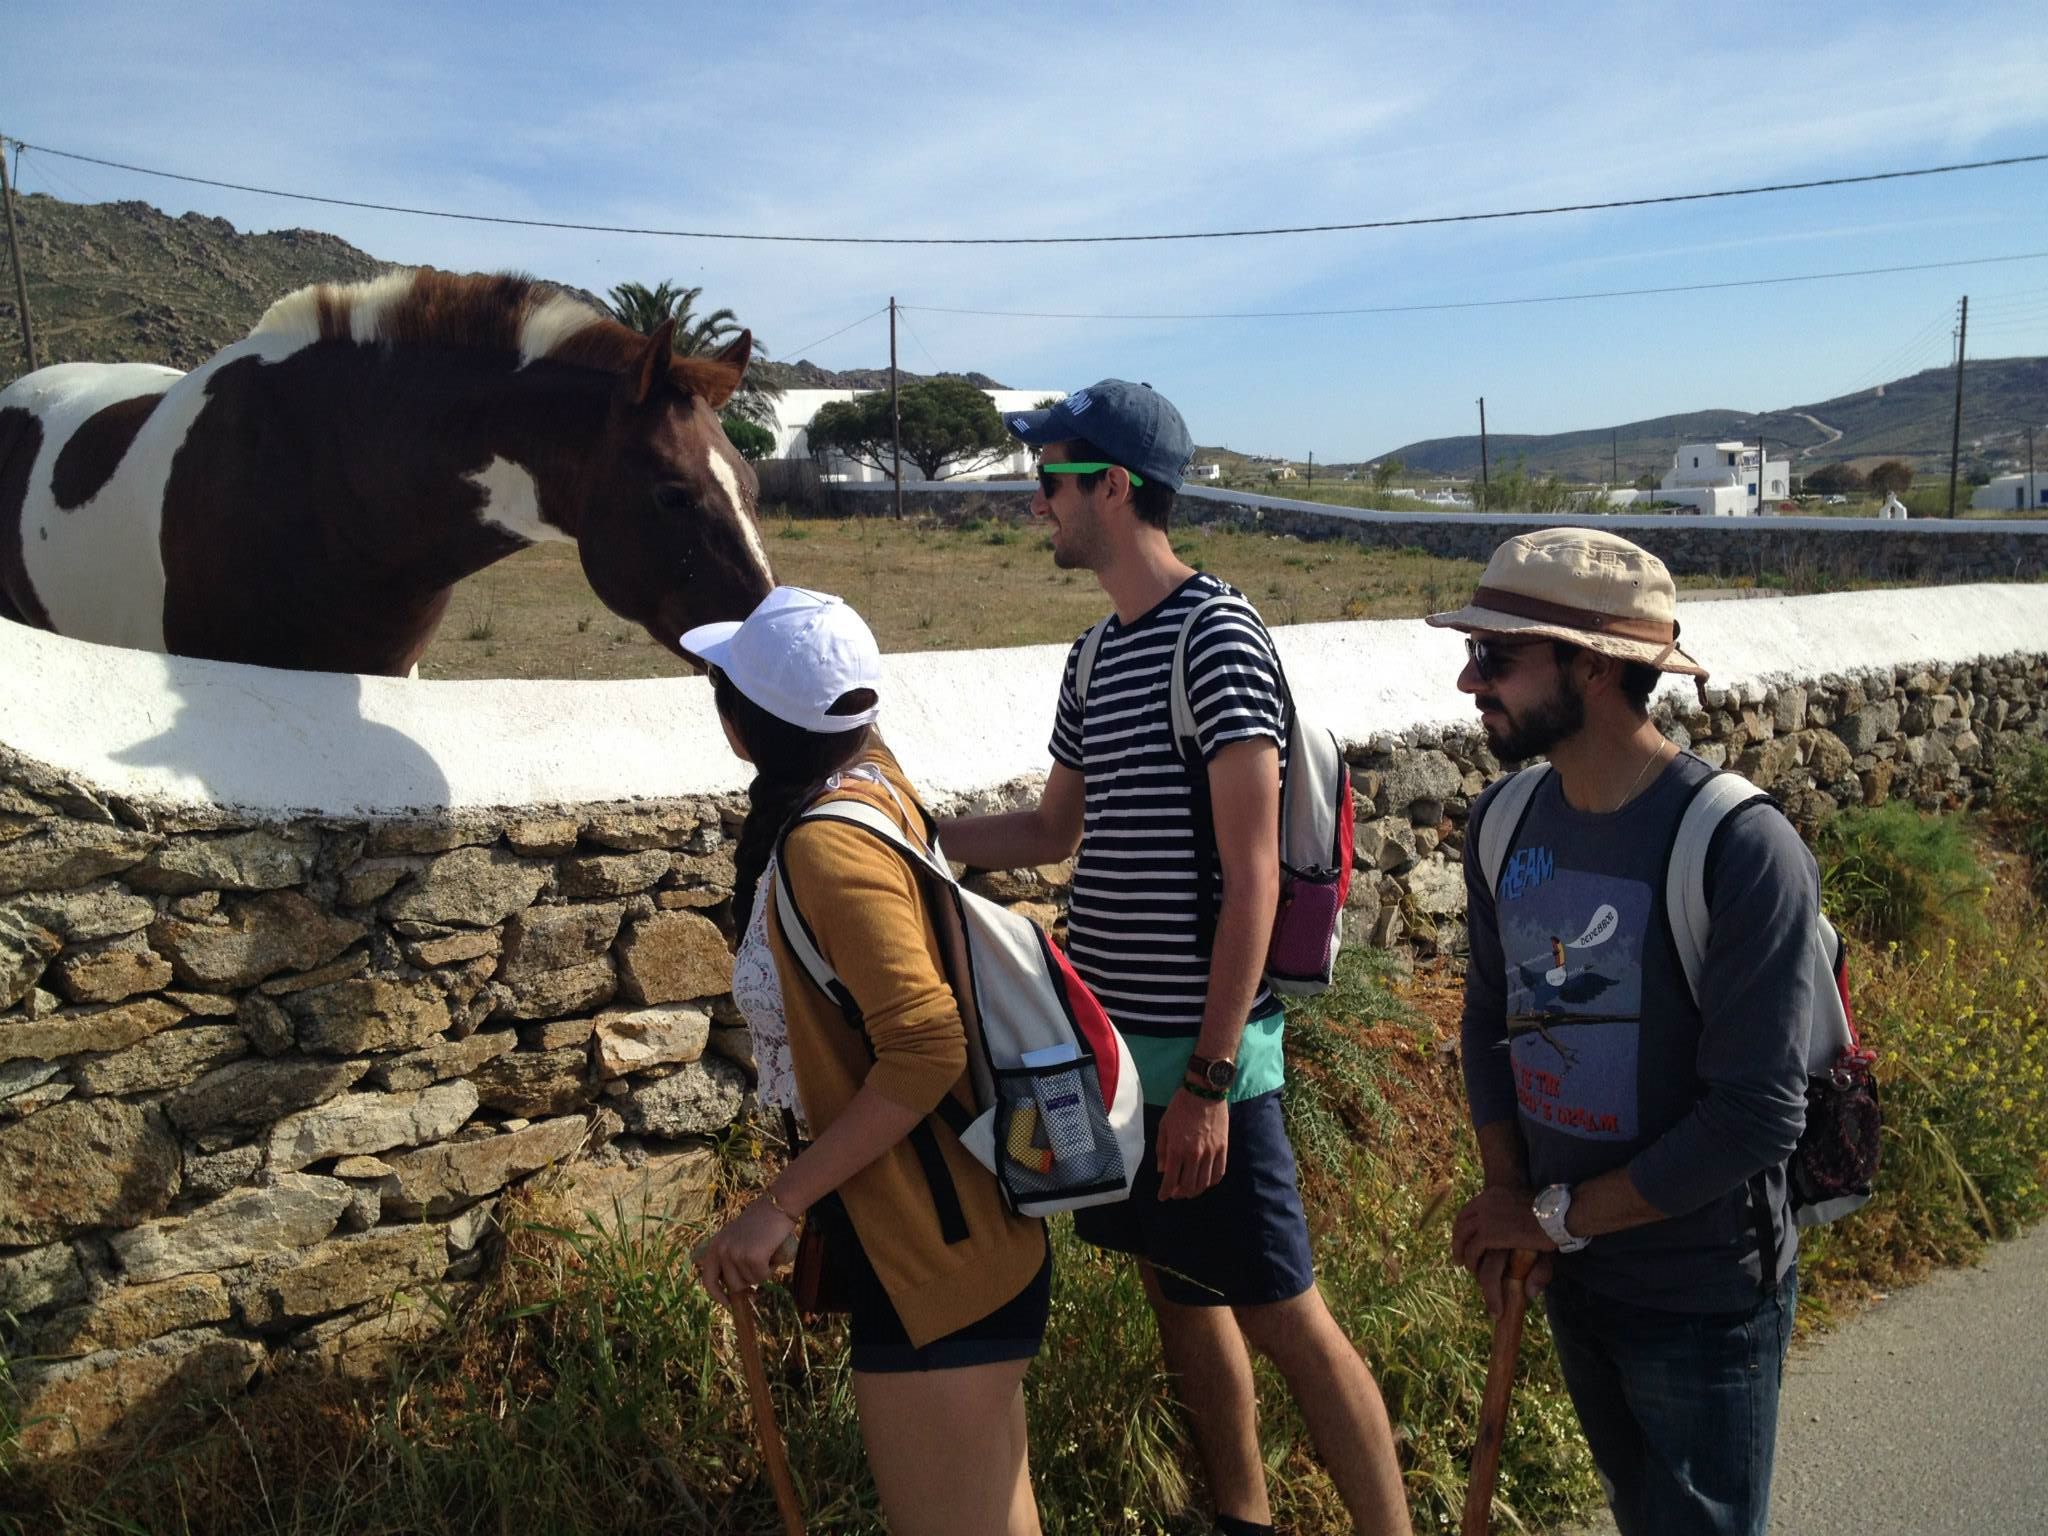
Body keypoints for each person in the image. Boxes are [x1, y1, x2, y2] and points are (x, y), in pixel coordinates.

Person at [940, 383, 1409, 1536]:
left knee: (1284, 1311)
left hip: (1206, 1068)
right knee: (1180, 1292)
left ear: (1112, 486)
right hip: (1107, 1053)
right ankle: (1240, 1518)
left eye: (1047, 480)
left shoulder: (1217, 639)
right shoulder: (1093, 655)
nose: (1032, 504)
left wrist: (1206, 1082)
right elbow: (1053, 832)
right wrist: (902, 837)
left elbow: (1252, 879)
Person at [1431, 529, 1816, 1536]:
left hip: (1701, 1295)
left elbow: (1751, 1118)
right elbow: (1488, 1020)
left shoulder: (1736, 845)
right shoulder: (1503, 821)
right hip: (1573, 1274)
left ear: (1592, 668)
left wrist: (1551, 1217)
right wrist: (1510, 1195)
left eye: (1496, 657)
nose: (1469, 681)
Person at [688, 586, 1050, 1536]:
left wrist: (776, 1206)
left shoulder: (827, 846)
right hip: (957, 1232)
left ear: (744, 726)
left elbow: (926, 1046)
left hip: (937, 1245)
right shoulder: (876, 780)